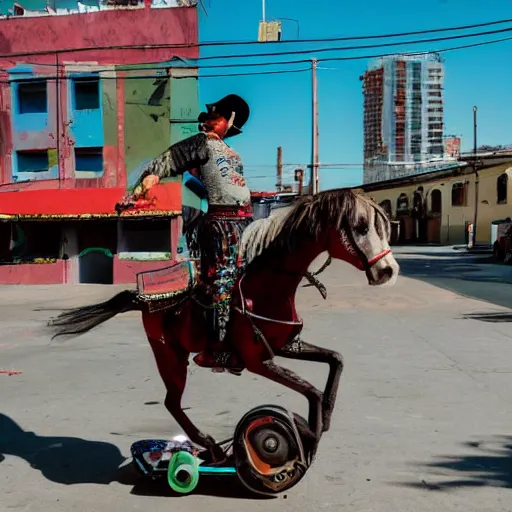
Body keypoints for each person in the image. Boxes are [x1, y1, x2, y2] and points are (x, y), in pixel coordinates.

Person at [119, 94, 252, 371]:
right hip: (222, 227)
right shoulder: (201, 144)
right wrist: (140, 190)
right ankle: (216, 350)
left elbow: (218, 185)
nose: (210, 122)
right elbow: (166, 162)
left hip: (244, 223)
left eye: (216, 118)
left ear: (229, 122)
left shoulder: (231, 153)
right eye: (209, 118)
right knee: (224, 283)